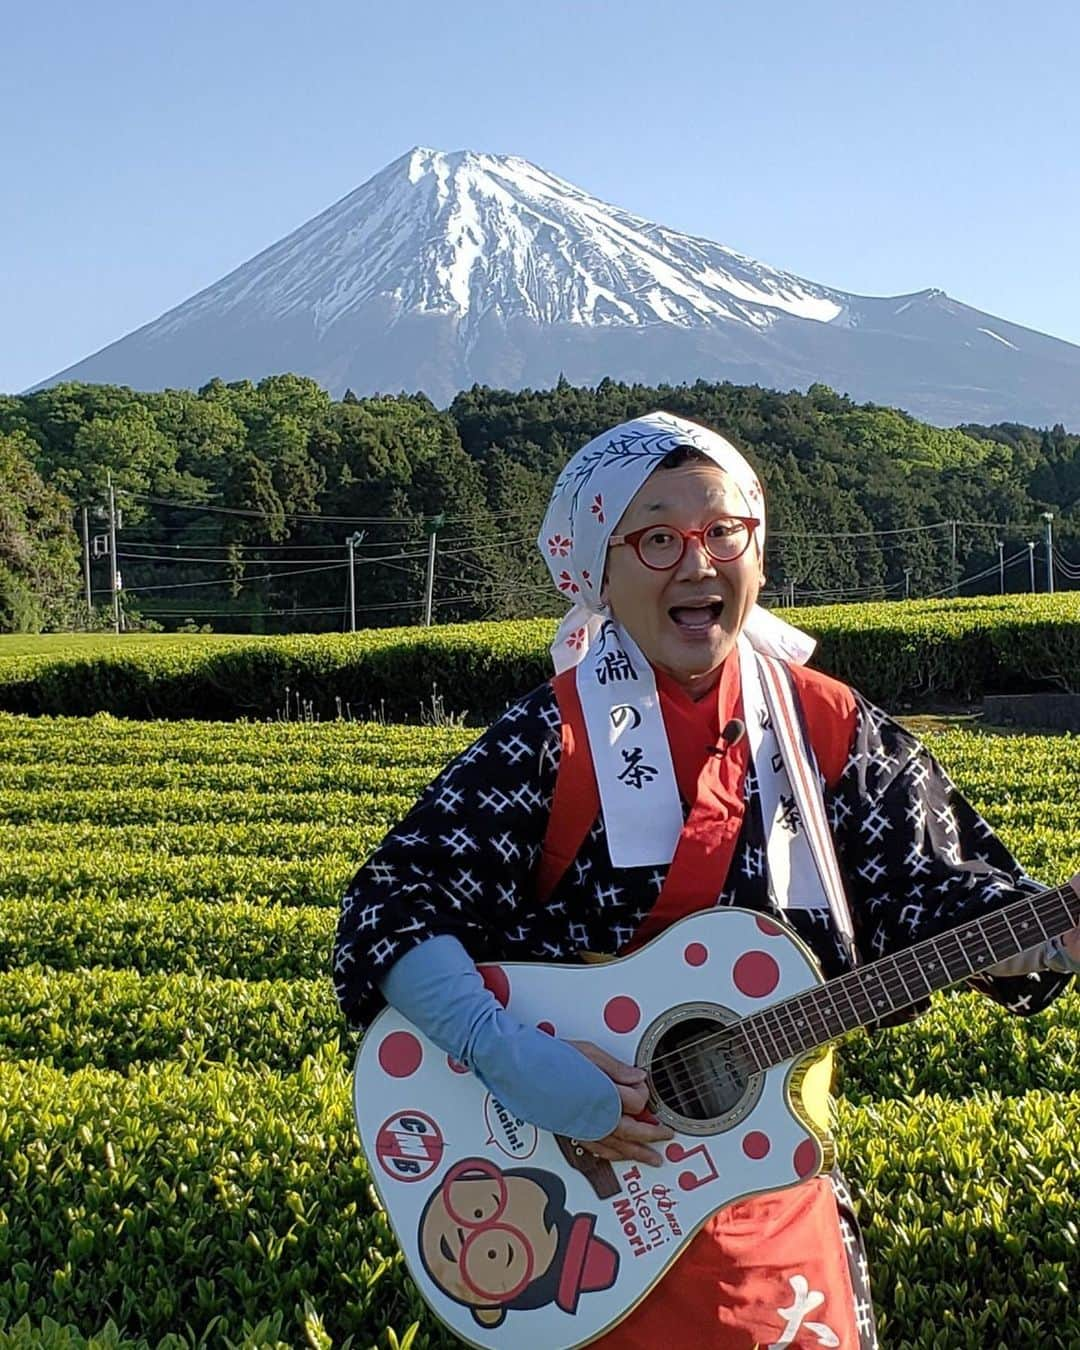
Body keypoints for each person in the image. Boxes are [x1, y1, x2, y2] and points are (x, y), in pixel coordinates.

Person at [333, 411, 1080, 1348]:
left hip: (764, 1194)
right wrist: (509, 1055)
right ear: (599, 571)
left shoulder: (830, 726)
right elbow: (387, 910)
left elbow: (935, 889)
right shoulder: (550, 738)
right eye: (656, 538)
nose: (697, 564)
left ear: (758, 554)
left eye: (724, 533)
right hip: (580, 1220)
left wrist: (1043, 931)